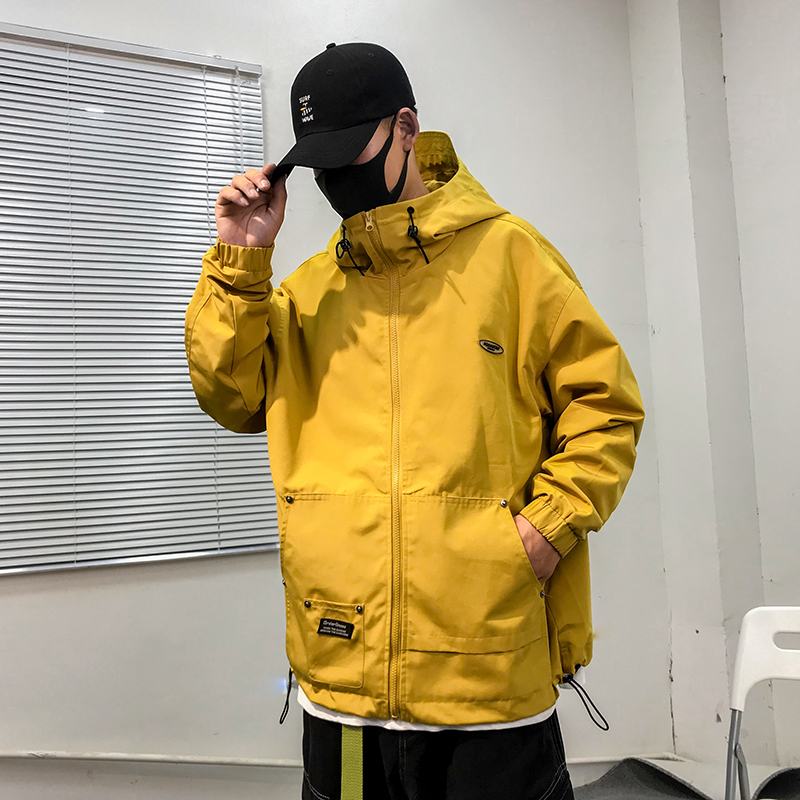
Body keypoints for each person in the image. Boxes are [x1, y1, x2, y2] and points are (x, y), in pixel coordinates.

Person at [184, 41, 646, 800]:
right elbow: (232, 398)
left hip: (486, 684)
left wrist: (540, 532)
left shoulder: (513, 259)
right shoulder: (305, 293)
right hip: (343, 685)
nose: (336, 178)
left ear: (406, 129)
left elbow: (607, 407)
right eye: (320, 162)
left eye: (349, 153)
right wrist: (240, 260)